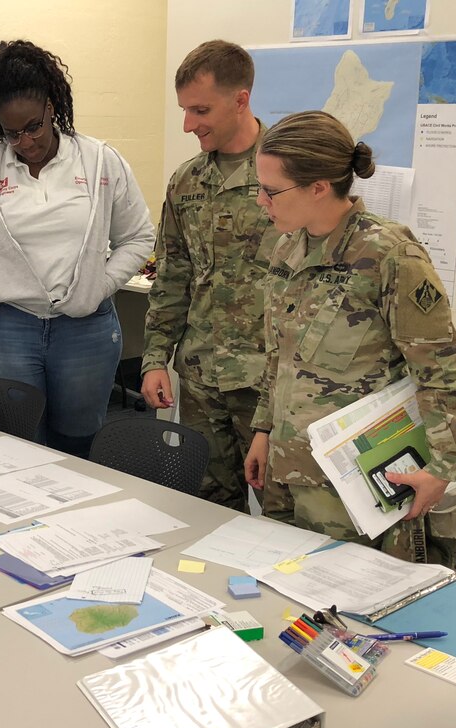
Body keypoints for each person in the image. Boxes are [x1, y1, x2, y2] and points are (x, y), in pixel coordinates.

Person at [244, 110, 456, 564]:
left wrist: (442, 468)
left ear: (318, 187)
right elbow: (280, 357)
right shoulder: (289, 247)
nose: (259, 201)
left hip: (352, 485)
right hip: (287, 468)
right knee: (287, 596)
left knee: (352, 612)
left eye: (270, 190)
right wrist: (263, 429)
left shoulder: (391, 256)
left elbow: (440, 372)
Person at [0, 39, 154, 458]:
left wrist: (100, 285)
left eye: (33, 126)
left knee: (78, 441)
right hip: (5, 330)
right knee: (17, 442)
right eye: (10, 132)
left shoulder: (100, 162)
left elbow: (139, 237)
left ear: (52, 107)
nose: (25, 141)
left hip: (84, 331)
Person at [140, 41, 286, 516]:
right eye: (184, 110)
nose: (188, 124)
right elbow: (172, 277)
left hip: (267, 382)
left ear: (240, 100)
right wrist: (155, 357)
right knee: (208, 511)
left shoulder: (288, 176)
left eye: (200, 109)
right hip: (201, 376)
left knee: (285, 516)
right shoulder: (186, 181)